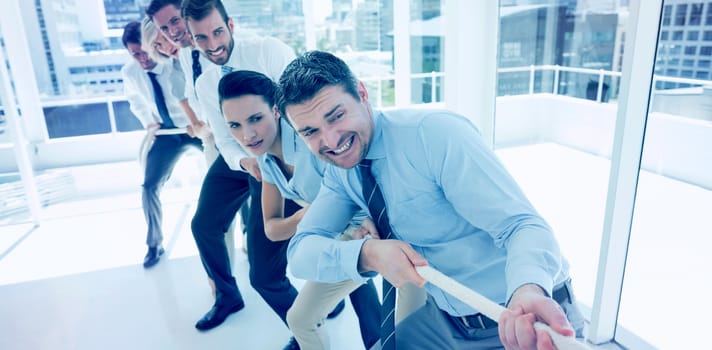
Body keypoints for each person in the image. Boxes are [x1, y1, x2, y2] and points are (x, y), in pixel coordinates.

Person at [279, 51, 586, 349]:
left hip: (522, 320)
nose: (331, 141)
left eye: (337, 116)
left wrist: (527, 290)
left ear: (361, 93)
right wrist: (368, 254)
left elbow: (522, 225)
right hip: (446, 320)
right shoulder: (341, 173)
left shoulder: (435, 135)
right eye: (310, 132)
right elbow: (301, 252)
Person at [180, 1, 346, 342]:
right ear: (191, 39)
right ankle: (229, 296)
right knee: (203, 224)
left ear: (231, 25)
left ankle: (317, 309)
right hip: (242, 158)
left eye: (217, 32)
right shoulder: (204, 82)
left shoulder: (268, 51)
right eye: (201, 38)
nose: (212, 45)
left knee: (272, 257)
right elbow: (226, 139)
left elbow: (301, 109)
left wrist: (271, 162)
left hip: (278, 155)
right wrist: (246, 161)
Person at [218, 70, 382, 349]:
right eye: (234, 125)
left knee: (307, 317)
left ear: (276, 110)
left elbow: (362, 178)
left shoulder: (313, 143)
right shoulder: (266, 162)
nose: (247, 134)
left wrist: (315, 217)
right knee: (302, 318)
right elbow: (272, 228)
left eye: (255, 119)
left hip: (368, 231)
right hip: (334, 238)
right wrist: (310, 215)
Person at [120, 21, 202, 268]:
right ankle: (154, 244)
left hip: (192, 128)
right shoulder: (130, 73)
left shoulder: (173, 63)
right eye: (135, 54)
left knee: (230, 172)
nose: (142, 58)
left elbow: (195, 93)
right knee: (149, 186)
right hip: (167, 133)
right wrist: (149, 122)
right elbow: (134, 99)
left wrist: (196, 120)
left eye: (144, 51)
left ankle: (244, 232)